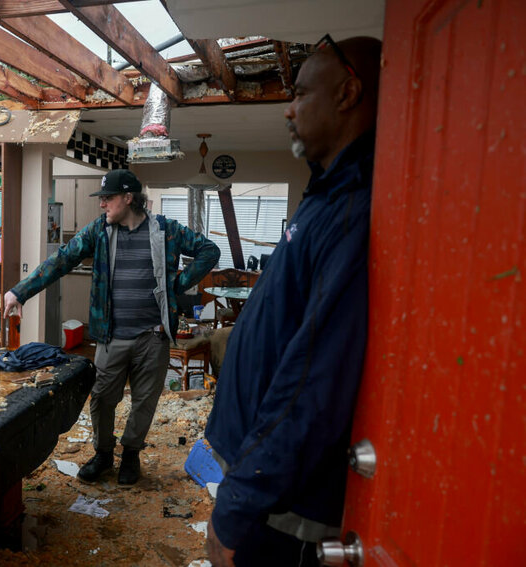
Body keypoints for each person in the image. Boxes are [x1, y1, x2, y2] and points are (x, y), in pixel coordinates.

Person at [204, 35, 382, 566]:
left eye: (301, 92)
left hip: (282, 518)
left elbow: (311, 385)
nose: (289, 108)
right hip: (261, 492)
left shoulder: (353, 210)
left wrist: (235, 506)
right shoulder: (325, 196)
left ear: (348, 93)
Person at [4, 169, 219, 485]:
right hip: (111, 337)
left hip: (153, 337)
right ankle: (104, 454)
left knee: (144, 402)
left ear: (128, 198)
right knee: (102, 399)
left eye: (108, 198)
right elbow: (61, 260)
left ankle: (130, 454)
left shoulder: (166, 231)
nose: (102, 204)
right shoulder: (99, 233)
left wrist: (177, 285)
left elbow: (209, 251)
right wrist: (20, 291)